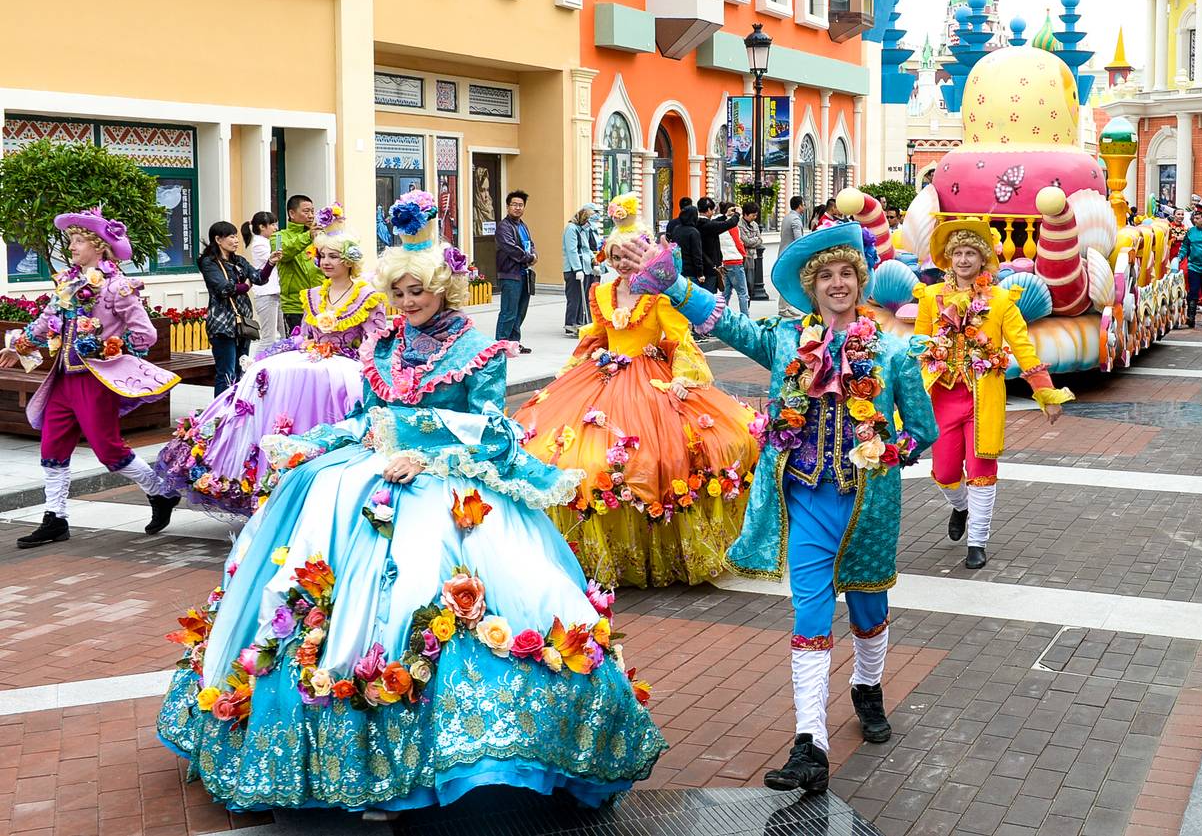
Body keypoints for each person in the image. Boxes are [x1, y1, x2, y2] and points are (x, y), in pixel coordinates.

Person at [153, 192, 666, 811]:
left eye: (415, 292)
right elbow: (367, 417)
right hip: (367, 478)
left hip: (448, 486)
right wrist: (308, 441)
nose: (405, 304)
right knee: (311, 546)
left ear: (441, 289)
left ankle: (483, 749)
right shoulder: (388, 346)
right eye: (396, 293)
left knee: (456, 594)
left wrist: (425, 450)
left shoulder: (475, 346)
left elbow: (492, 426)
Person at [614, 220, 938, 794]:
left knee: (867, 609)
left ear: (860, 282)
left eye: (847, 274)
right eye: (825, 277)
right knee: (809, 617)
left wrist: (890, 449)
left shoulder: (894, 352)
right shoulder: (789, 341)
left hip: (869, 506)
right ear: (811, 289)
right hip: (806, 499)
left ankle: (867, 687)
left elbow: (923, 430)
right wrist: (674, 286)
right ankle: (809, 745)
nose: (837, 284)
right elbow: (732, 323)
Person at [511, 192, 759, 588]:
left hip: (650, 380)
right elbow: (597, 334)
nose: (622, 263)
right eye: (616, 256)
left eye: (630, 255)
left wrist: (682, 376)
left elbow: (679, 338)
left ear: (644, 256)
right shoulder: (602, 293)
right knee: (568, 452)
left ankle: (653, 545)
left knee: (659, 457)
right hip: (602, 377)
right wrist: (576, 365)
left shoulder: (658, 295)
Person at [153, 217, 388, 518]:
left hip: (343, 368)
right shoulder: (314, 295)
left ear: (349, 261)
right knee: (262, 376)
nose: (326, 261)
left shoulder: (367, 296)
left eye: (334, 256)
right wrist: (308, 349)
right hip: (310, 360)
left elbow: (374, 340)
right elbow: (304, 335)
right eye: (323, 255)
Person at [0, 208, 181, 545]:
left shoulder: (117, 287)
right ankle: (55, 518)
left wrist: (114, 351)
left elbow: (145, 333)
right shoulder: (68, 283)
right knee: (52, 446)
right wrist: (18, 346)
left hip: (96, 381)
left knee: (108, 449)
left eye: (78, 241)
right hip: (64, 378)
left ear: (98, 247)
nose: (71, 247)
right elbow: (46, 321)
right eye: (71, 241)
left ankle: (161, 492)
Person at [913, 219, 1068, 569]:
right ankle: (960, 506)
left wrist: (1045, 393)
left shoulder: (1000, 300)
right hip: (942, 397)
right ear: (948, 259)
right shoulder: (930, 297)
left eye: (971, 253)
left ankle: (977, 542)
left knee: (982, 466)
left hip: (984, 397)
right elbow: (917, 346)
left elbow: (1023, 347)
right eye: (957, 254)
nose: (964, 260)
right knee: (945, 471)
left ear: (983, 259)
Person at [200, 221, 280, 394]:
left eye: (236, 236)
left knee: (241, 369)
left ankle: (238, 410)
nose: (236, 240)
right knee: (226, 372)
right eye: (231, 236)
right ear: (218, 239)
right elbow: (223, 288)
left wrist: (271, 263)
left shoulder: (239, 261)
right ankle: (221, 414)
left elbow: (258, 278)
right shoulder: (209, 263)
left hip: (242, 324)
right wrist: (245, 286)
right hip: (222, 324)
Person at [274, 194, 324, 337]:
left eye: (312, 211)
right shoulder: (278, 237)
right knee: (298, 348)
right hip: (295, 306)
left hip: (320, 303)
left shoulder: (319, 236)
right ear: (292, 213)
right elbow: (283, 252)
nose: (310, 215)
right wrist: (308, 236)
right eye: (306, 211)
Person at [494, 189, 537, 346]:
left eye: (520, 205)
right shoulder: (504, 227)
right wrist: (529, 258)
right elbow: (510, 247)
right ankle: (501, 344)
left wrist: (533, 253)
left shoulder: (523, 226)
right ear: (508, 206)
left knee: (520, 311)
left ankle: (514, 343)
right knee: (509, 312)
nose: (517, 208)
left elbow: (529, 244)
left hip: (523, 274)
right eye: (514, 204)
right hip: (510, 274)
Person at [242, 211, 284, 350]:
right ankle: (257, 368)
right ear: (262, 227)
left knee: (285, 335)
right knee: (268, 338)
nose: (275, 228)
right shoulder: (259, 244)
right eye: (272, 224)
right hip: (266, 293)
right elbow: (274, 260)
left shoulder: (266, 242)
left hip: (275, 291)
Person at [561, 205, 596, 337]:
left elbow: (586, 248)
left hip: (585, 267)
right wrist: (577, 269)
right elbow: (572, 251)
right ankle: (571, 323)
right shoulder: (571, 229)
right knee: (574, 297)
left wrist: (594, 261)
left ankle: (580, 322)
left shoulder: (582, 230)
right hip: (574, 269)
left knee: (583, 297)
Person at [696, 197, 741, 293]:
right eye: (712, 210)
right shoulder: (708, 226)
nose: (713, 212)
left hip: (701, 265)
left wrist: (725, 215)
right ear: (708, 210)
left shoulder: (698, 223)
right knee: (710, 296)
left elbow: (714, 223)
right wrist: (737, 214)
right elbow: (729, 224)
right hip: (710, 267)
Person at [719, 201, 751, 316]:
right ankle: (745, 318)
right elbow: (738, 243)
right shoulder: (732, 225)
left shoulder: (719, 223)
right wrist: (744, 254)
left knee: (726, 293)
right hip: (735, 261)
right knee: (743, 293)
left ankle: (722, 317)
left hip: (725, 261)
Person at [778, 196, 808, 317]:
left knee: (788, 282)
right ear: (800, 205)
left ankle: (786, 307)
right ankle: (783, 309)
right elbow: (798, 240)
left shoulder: (787, 217)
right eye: (804, 204)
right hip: (791, 256)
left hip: (784, 253)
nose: (804, 207)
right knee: (788, 282)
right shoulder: (795, 219)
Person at [669, 202, 707, 289]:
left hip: (678, 269)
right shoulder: (693, 232)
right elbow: (697, 254)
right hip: (691, 271)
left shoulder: (676, 229)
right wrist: (700, 273)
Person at [740, 200, 764, 304]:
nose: (755, 218)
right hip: (744, 257)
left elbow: (760, 239)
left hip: (752, 257)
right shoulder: (739, 225)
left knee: (751, 284)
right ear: (745, 214)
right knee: (744, 285)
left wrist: (752, 240)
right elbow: (745, 241)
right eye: (753, 215)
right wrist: (754, 240)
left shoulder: (754, 225)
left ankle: (747, 305)